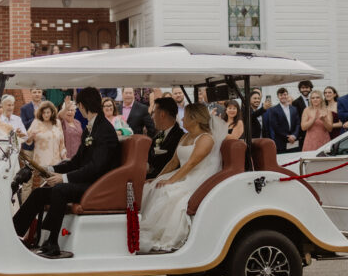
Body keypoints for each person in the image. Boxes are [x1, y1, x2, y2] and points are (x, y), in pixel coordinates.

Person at [12, 87, 120, 258]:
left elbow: (96, 167)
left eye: (78, 105)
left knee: (60, 189)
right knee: (40, 193)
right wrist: (51, 169)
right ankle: (13, 233)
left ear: (83, 105)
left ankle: (52, 242)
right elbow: (77, 161)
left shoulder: (104, 130)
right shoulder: (90, 128)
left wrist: (64, 178)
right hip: (86, 180)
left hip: (97, 185)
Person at [139, 104, 225, 251]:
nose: (182, 118)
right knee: (150, 186)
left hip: (197, 177)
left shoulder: (206, 139)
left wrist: (171, 181)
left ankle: (162, 234)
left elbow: (191, 164)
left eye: (186, 116)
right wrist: (158, 178)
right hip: (182, 174)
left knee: (169, 192)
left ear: (195, 119)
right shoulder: (185, 136)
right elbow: (174, 162)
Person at [24, 101, 67, 188]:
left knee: (55, 188)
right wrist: (31, 136)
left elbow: (62, 143)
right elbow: (27, 141)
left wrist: (65, 158)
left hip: (56, 162)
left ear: (52, 112)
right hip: (41, 164)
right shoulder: (36, 122)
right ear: (40, 113)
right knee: (41, 189)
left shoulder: (57, 123)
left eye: (48, 112)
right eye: (44, 112)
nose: (46, 115)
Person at [147, 96, 183, 178]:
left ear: (162, 114)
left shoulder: (180, 137)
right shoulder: (159, 135)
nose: (152, 117)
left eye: (154, 113)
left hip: (166, 177)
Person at [263, 88, 300, 152]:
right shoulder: (273, 110)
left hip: (294, 141)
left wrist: (294, 135)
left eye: (285, 94)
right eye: (281, 95)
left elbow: (297, 123)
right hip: (281, 142)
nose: (283, 96)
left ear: (287, 95)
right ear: (278, 96)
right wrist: (287, 136)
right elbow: (275, 126)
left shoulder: (294, 109)